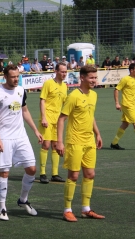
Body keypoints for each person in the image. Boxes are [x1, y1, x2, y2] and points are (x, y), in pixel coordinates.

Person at [0, 64, 43, 221]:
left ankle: (23, 200)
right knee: (4, 173)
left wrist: (35, 130)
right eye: (12, 76)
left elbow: (24, 111)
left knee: (32, 169)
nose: (15, 79)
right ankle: (2, 208)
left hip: (21, 137)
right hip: (4, 137)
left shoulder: (21, 90)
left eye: (17, 76)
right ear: (5, 76)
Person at [56, 65, 104, 222]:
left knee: (90, 174)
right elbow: (61, 119)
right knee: (74, 176)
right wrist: (59, 142)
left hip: (89, 141)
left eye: (95, 77)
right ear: (82, 78)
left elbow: (91, 116)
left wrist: (97, 133)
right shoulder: (74, 96)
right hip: (75, 141)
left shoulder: (94, 95)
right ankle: (67, 210)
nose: (94, 80)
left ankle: (86, 209)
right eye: (91, 77)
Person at [38, 63, 68, 184]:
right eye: (62, 71)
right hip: (48, 118)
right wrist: (44, 117)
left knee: (56, 146)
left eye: (65, 72)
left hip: (58, 120)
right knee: (46, 145)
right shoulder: (48, 83)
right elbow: (42, 100)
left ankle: (54, 174)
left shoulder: (65, 86)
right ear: (56, 71)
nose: (64, 74)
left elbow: (65, 103)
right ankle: (42, 173)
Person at [110, 63, 135, 150]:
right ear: (131, 70)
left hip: (133, 105)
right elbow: (116, 90)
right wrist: (117, 103)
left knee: (125, 124)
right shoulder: (125, 79)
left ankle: (114, 143)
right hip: (127, 105)